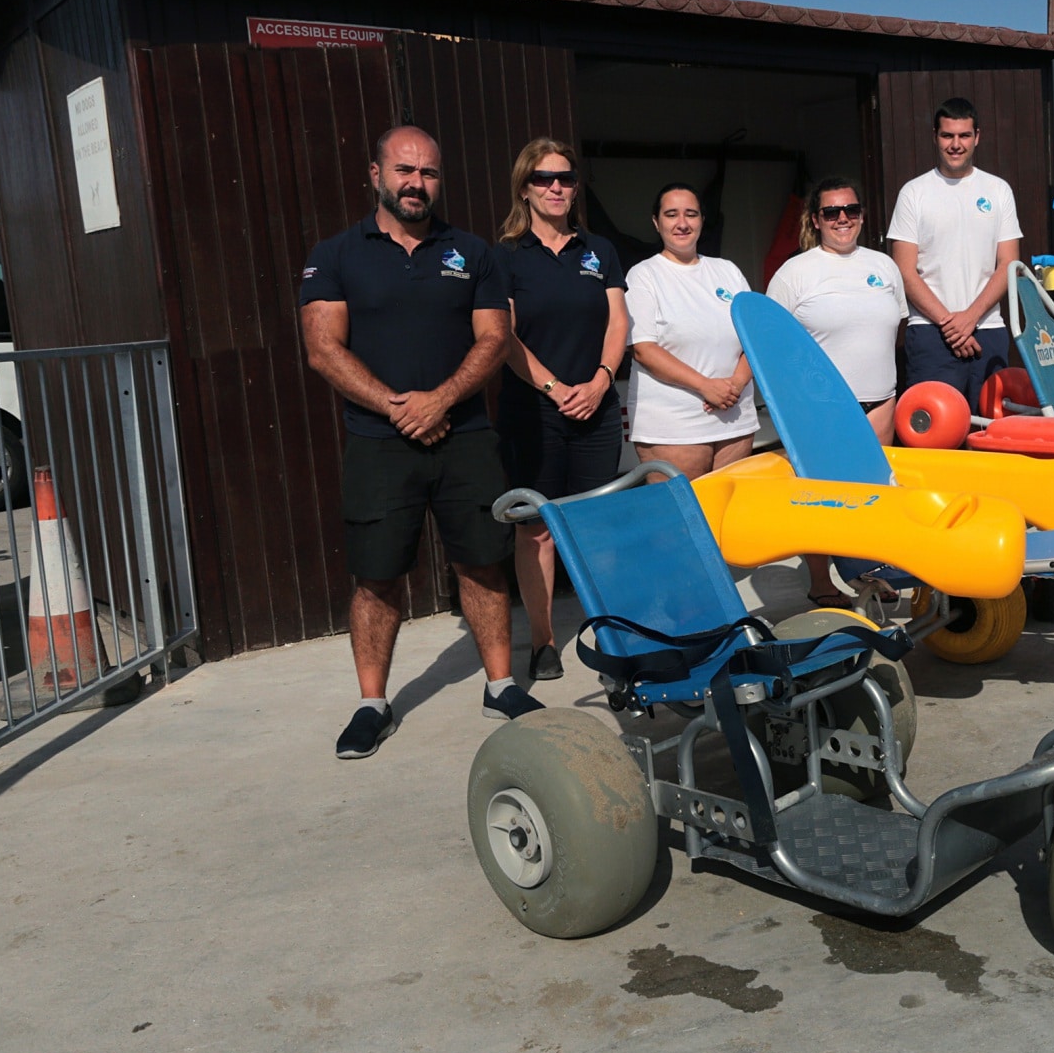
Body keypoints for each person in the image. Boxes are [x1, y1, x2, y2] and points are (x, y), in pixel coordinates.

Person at [300, 124, 543, 761]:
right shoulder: (335, 255)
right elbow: (323, 349)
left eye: (428, 172)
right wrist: (397, 407)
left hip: (466, 437)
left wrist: (439, 400)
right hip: (378, 442)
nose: (416, 183)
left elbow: (493, 338)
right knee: (377, 576)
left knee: (483, 563)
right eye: (404, 170)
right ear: (375, 175)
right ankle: (372, 705)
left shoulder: (473, 252)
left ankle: (500, 686)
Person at [494, 139, 627, 682]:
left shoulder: (599, 250)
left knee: (597, 527)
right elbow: (503, 336)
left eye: (566, 179)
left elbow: (618, 323)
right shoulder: (504, 255)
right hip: (534, 411)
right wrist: (554, 388)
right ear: (524, 187)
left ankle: (612, 635)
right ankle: (543, 641)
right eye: (544, 178)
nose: (556, 187)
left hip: (596, 406)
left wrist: (600, 381)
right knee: (537, 530)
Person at [766, 177, 906, 607]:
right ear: (816, 220)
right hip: (820, 409)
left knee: (874, 494)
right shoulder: (794, 273)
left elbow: (895, 329)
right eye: (831, 212)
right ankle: (821, 582)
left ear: (861, 215)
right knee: (822, 498)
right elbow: (772, 343)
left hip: (880, 400)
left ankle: (871, 572)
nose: (842, 219)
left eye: (851, 210)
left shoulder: (884, 266)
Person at [886, 96, 1023, 411]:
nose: (956, 144)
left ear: (977, 136)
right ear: (935, 136)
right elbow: (904, 270)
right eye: (948, 135)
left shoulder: (998, 190)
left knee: (990, 429)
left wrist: (969, 318)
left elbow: (1008, 264)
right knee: (936, 431)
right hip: (930, 332)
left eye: (964, 135)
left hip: (987, 329)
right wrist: (950, 325)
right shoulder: (914, 193)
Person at [624, 184, 758, 479]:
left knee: (729, 506)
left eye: (691, 214)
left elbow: (755, 339)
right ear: (656, 222)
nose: (682, 223)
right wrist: (705, 386)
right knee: (680, 508)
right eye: (671, 214)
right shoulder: (643, 275)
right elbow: (644, 349)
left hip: (735, 416)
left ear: (702, 220)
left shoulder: (728, 271)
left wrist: (735, 384)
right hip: (674, 423)